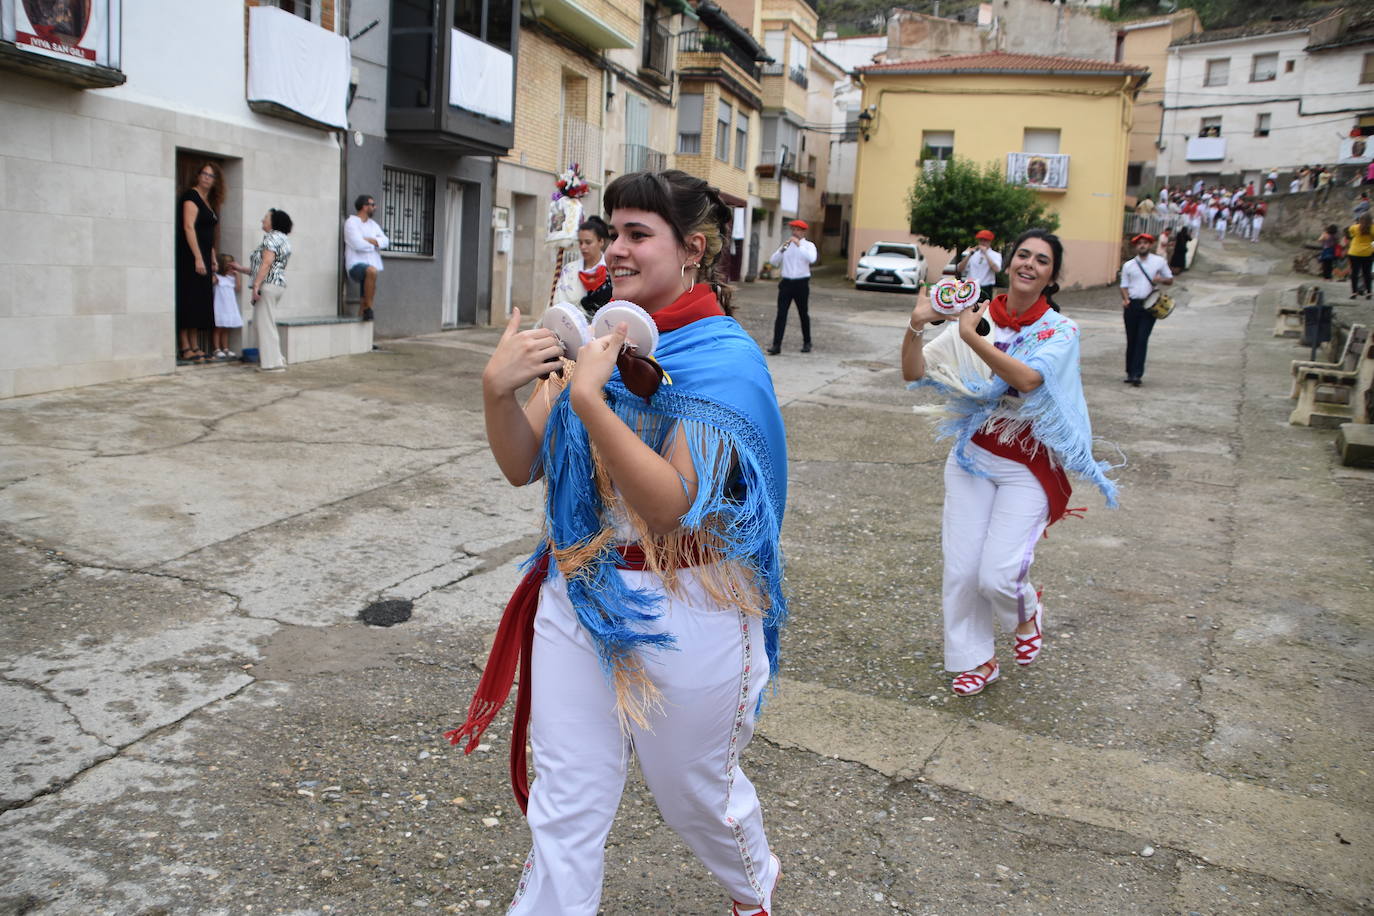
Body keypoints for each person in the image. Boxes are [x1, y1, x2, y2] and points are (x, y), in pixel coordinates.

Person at [452, 169, 787, 916]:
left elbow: (669, 506)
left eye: (640, 234)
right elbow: (520, 464)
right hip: (580, 588)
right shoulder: (592, 333)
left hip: (694, 599)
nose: (619, 248)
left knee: (693, 796)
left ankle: (752, 886)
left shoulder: (725, 360)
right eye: (614, 230)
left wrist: (587, 398)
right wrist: (495, 390)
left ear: (692, 249)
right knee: (565, 808)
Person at [900, 229, 1118, 696]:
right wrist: (917, 324)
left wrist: (969, 337)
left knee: (998, 573)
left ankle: (1026, 612)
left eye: (1042, 260)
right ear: (1008, 262)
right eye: (1023, 254)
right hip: (973, 454)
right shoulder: (977, 314)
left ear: (1052, 275)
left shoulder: (1059, 330)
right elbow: (914, 372)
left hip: (1029, 461)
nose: (1029, 264)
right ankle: (976, 661)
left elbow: (1028, 378)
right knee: (961, 570)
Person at [232, 209, 293, 371]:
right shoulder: (284, 239)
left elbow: (266, 263)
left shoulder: (271, 237)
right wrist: (241, 269)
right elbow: (266, 267)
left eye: (265, 218)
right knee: (263, 324)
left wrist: (257, 286)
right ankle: (276, 359)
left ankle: (272, 364)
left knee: (265, 325)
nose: (262, 220)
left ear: (273, 222)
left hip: (267, 285)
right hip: (276, 285)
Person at [176, 162, 222, 364]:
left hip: (204, 255)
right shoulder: (191, 197)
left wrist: (211, 256)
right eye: (204, 174)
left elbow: (208, 234)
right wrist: (197, 257)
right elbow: (188, 227)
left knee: (199, 302)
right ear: (198, 176)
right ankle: (184, 346)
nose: (206, 178)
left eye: (211, 175)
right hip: (190, 256)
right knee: (189, 300)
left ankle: (195, 345)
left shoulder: (208, 201)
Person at [1119, 232, 1174, 386]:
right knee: (1132, 339)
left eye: (1145, 243)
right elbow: (1123, 285)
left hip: (1150, 305)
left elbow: (1170, 280)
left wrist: (1160, 279)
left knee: (1142, 339)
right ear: (1136, 246)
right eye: (1139, 243)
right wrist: (1125, 299)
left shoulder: (1159, 262)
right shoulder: (1128, 265)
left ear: (1150, 245)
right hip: (1132, 305)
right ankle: (1130, 372)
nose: (1142, 245)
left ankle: (1137, 374)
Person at [766, 218, 817, 354]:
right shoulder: (786, 246)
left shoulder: (808, 246)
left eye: (798, 230)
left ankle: (807, 342)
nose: (795, 232)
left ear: (803, 232)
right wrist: (782, 250)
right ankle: (776, 345)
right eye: (793, 229)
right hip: (786, 283)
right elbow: (773, 261)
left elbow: (812, 259)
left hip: (801, 283)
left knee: (803, 313)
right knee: (781, 314)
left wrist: (799, 245)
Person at [552, 215, 613, 317]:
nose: (583, 247)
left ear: (601, 242)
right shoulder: (569, 270)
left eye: (588, 242)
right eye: (580, 242)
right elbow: (559, 303)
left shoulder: (611, 270)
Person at [344, 194, 388, 321]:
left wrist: (370, 241)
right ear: (364, 206)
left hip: (371, 266)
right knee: (371, 270)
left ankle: (362, 334)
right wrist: (375, 244)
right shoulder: (351, 223)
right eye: (372, 205)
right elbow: (357, 244)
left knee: (364, 301)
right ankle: (369, 309)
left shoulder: (373, 224)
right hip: (356, 265)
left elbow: (386, 241)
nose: (375, 207)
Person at [212, 254, 242, 359]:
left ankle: (225, 348)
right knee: (218, 328)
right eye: (227, 264)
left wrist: (237, 275)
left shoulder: (231, 278)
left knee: (226, 328)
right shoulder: (217, 277)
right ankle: (217, 349)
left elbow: (238, 288)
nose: (230, 267)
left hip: (229, 307)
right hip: (220, 306)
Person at [957, 229, 1002, 301]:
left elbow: (997, 269)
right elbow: (959, 269)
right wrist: (969, 255)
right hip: (970, 286)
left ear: (990, 242)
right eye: (981, 240)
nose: (982, 242)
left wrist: (986, 254)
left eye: (985, 240)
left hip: (985, 287)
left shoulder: (995, 255)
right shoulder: (973, 254)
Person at [1347, 213, 1373, 299]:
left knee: (1354, 273)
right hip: (1367, 253)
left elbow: (1351, 235)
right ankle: (1368, 292)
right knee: (1367, 273)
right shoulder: (1373, 229)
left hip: (1354, 252)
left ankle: (1354, 292)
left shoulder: (1354, 227)